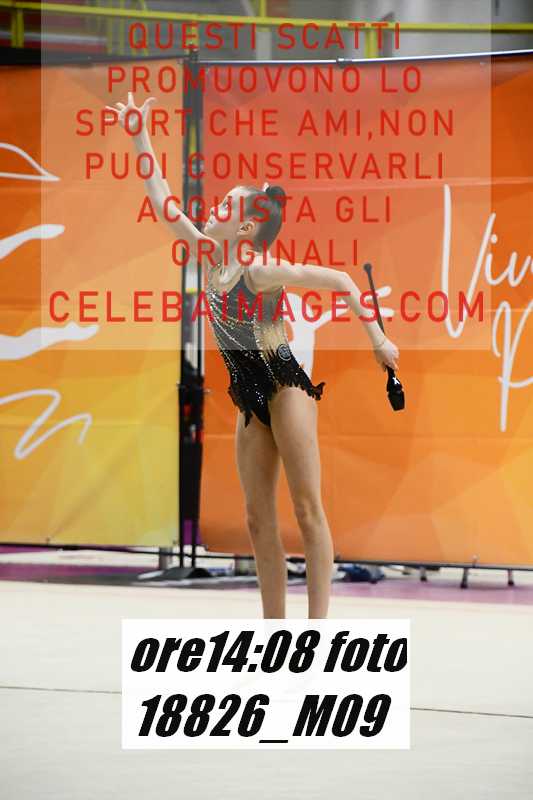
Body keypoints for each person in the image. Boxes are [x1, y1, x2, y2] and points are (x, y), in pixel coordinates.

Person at [106, 93, 400, 619]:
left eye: (225, 206)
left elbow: (340, 279)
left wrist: (378, 339)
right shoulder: (208, 257)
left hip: (285, 388)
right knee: (257, 520)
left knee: (307, 510)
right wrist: (139, 136)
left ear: (244, 228)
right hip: (249, 397)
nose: (213, 209)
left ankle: (317, 632)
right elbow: (163, 202)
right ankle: (274, 633)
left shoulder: (258, 271)